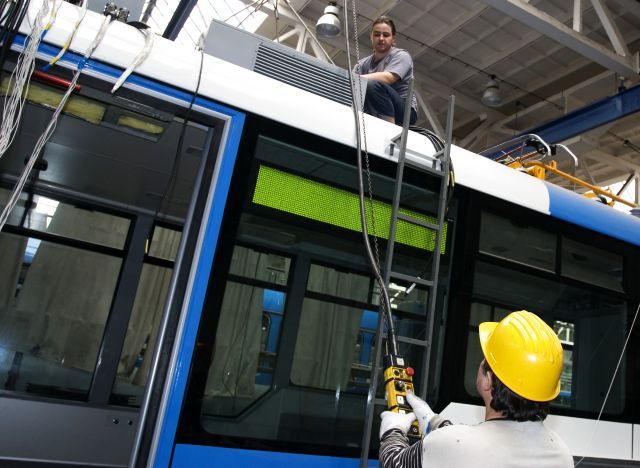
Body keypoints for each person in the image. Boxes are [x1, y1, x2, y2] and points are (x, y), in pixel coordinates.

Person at [379, 310, 574, 467]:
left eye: (485, 359)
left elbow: (394, 462)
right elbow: (480, 445)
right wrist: (433, 421)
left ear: (488, 380)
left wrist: (392, 429)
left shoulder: (452, 445)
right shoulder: (561, 453)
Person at [355, 16, 417, 125]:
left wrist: (359, 78)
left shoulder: (401, 55)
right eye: (377, 34)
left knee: (371, 85)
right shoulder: (362, 64)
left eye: (386, 35)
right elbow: (350, 85)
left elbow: (388, 77)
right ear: (371, 36)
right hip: (373, 108)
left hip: (404, 111)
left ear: (393, 38)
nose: (381, 38)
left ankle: (388, 129)